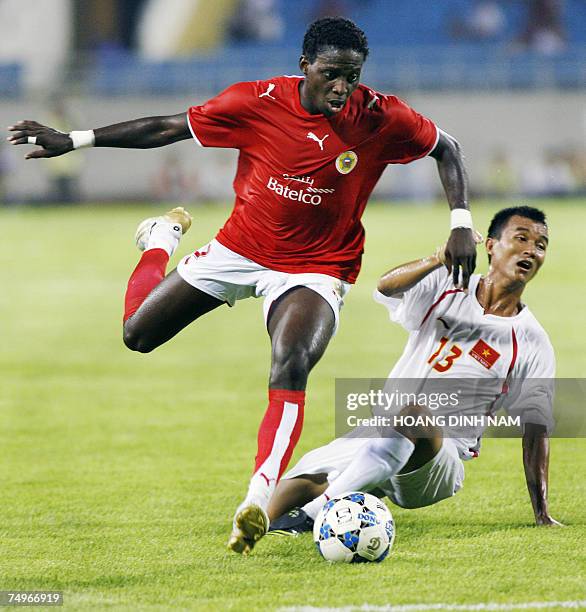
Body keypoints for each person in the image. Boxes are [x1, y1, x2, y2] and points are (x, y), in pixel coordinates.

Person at [7, 17, 477, 554]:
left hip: (317, 267)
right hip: (238, 252)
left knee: (292, 359)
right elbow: (169, 127)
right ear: (305, 67)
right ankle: (161, 240)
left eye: (351, 76)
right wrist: (75, 139)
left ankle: (257, 496)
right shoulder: (256, 102)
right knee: (137, 334)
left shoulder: (379, 115)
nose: (342, 88)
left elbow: (448, 147)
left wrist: (460, 222)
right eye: (331, 75)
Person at [268, 206, 562, 534]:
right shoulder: (448, 284)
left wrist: (542, 512)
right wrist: (439, 257)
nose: (531, 251)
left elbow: (536, 431)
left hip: (440, 459)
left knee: (414, 414)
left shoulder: (532, 342)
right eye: (521, 238)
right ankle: (260, 529)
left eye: (541, 245)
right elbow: (386, 288)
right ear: (491, 245)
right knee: (288, 490)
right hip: (383, 429)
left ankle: (313, 515)